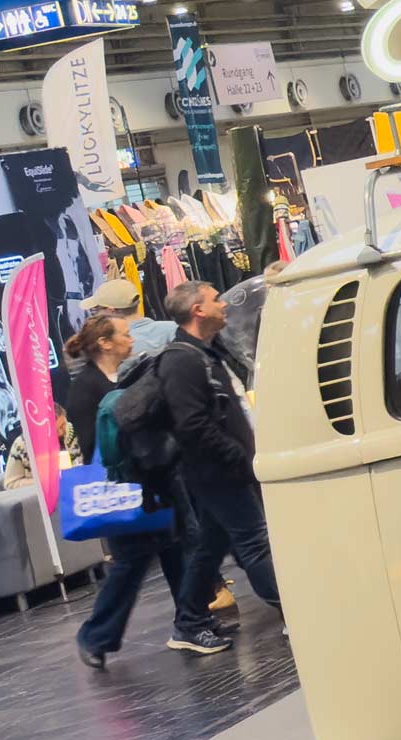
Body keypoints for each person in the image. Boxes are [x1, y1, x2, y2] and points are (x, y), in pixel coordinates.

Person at [64, 311, 198, 668]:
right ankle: (95, 636)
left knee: (176, 553)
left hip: (153, 480)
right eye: (124, 334)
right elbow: (97, 446)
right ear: (105, 343)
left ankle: (193, 621)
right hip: (125, 488)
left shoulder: (127, 374)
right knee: (130, 565)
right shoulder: (86, 389)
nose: (131, 339)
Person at [158, 285, 277, 642]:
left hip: (222, 469)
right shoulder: (181, 360)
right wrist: (236, 457)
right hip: (216, 471)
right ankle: (294, 611)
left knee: (209, 548)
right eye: (215, 299)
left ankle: (189, 622)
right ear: (197, 310)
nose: (223, 304)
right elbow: (191, 425)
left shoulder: (205, 352)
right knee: (255, 543)